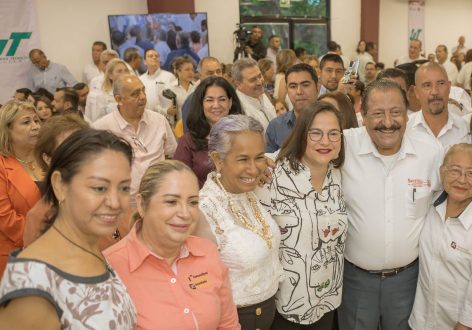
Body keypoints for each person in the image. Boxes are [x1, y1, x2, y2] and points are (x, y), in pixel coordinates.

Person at [0, 129, 137, 328]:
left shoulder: (89, 246)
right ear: (60, 186)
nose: (115, 202)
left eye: (124, 188)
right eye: (99, 188)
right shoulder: (33, 285)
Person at [338, 80, 443, 330]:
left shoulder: (431, 152)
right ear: (362, 115)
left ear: (408, 115)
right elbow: (295, 154)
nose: (388, 122)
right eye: (377, 113)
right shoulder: (343, 145)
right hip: (355, 280)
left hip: (408, 280)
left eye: (395, 112)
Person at [104, 160, 241, 329]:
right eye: (171, 202)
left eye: (192, 202)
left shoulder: (208, 252)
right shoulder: (110, 269)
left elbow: (228, 325)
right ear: (141, 204)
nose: (185, 213)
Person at [257, 101, 347, 329]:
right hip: (284, 306)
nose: (325, 141)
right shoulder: (272, 174)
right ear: (301, 134)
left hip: (326, 301)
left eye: (333, 133)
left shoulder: (338, 174)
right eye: (315, 133)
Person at [197, 115, 281, 329]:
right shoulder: (204, 211)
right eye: (243, 159)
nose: (253, 169)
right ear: (217, 159)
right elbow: (200, 288)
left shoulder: (250, 191)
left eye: (259, 157)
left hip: (269, 313)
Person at [409, 143, 472, 330]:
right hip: (421, 321)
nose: (462, 180)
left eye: (471, 173)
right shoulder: (430, 205)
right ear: (442, 172)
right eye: (455, 171)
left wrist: (465, 325)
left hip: (460, 324)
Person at [92, 75, 177, 205]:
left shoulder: (159, 120)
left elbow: (172, 154)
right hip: (122, 203)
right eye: (135, 94)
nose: (143, 97)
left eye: (143, 91)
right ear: (119, 99)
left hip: (159, 198)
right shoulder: (101, 129)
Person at [24, 114, 89, 247]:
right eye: (68, 149)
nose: (79, 155)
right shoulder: (41, 217)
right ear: (48, 159)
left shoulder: (109, 196)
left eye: (83, 146)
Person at [174, 77, 244, 187]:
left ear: (230, 103)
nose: (216, 105)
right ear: (201, 105)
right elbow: (177, 181)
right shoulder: (188, 141)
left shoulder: (244, 136)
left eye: (222, 99)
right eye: (209, 100)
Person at [0, 101, 42, 276]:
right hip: (16, 255)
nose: (35, 127)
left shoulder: (48, 156)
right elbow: (5, 218)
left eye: (36, 120)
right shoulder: (2, 165)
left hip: (59, 249)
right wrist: (46, 234)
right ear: (8, 130)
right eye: (26, 122)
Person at [408, 62, 470, 149]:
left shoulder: (466, 129)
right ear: (416, 92)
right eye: (427, 85)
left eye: (440, 83)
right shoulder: (405, 130)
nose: (435, 92)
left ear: (449, 88)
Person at [266, 63, 320, 152]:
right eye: (293, 86)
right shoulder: (275, 127)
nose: (299, 91)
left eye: (305, 85)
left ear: (317, 87)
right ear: (287, 90)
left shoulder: (333, 122)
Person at [233, 58, 277, 135]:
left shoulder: (260, 93)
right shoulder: (238, 109)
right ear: (238, 84)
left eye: (260, 76)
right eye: (253, 80)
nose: (260, 82)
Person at [139, 49, 176, 117]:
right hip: (145, 117)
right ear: (144, 61)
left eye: (157, 56)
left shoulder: (169, 76)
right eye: (150, 56)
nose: (154, 57)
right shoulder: (140, 79)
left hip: (165, 117)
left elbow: (175, 101)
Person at [164, 56, 198, 128]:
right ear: (178, 71)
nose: (191, 72)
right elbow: (157, 107)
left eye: (192, 70)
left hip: (196, 126)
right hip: (178, 127)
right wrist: (166, 111)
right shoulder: (169, 88)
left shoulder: (197, 87)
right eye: (187, 70)